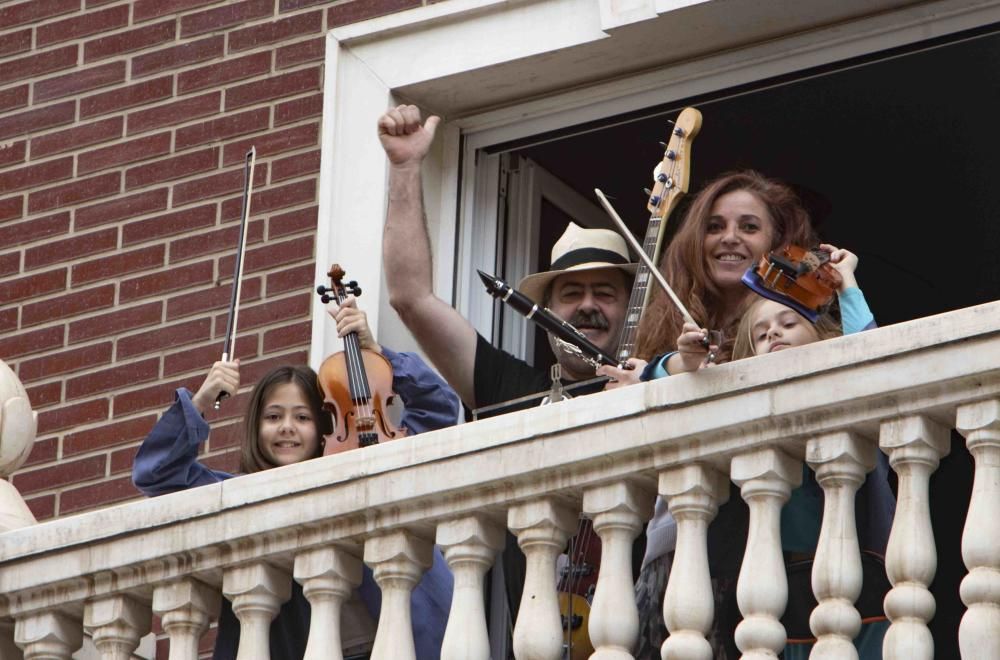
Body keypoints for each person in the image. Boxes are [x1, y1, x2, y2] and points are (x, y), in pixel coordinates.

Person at [377, 104, 637, 650]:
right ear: (545, 310)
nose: (587, 307)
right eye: (571, 294)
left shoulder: (650, 378)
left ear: (627, 309)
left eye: (605, 293)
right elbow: (410, 297)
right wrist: (404, 170)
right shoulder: (509, 386)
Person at [132, 296, 460, 660]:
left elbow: (439, 410)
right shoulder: (241, 495)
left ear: (323, 424)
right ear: (256, 428)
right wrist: (203, 399)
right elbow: (157, 473)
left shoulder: (362, 466)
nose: (287, 428)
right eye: (273, 417)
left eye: (302, 417)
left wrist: (376, 352)